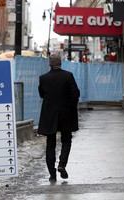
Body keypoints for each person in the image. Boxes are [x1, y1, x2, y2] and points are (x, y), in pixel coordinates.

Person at [38, 54, 80, 182]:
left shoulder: (43, 78)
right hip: (66, 114)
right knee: (66, 139)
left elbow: (41, 94)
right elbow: (75, 93)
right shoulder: (68, 76)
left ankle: (52, 174)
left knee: (50, 144)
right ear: (60, 63)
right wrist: (71, 105)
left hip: (49, 115)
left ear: (50, 64)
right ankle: (62, 164)